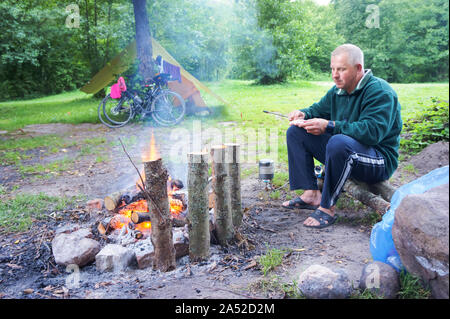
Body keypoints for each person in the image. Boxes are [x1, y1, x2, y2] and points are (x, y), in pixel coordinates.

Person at [282, 44, 402, 229]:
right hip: (348, 152)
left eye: (341, 69)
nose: (335, 75)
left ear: (358, 68)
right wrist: (303, 114)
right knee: (296, 132)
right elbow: (317, 110)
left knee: (338, 141)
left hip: (378, 160)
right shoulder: (338, 90)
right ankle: (312, 194)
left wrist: (329, 125)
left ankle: (327, 207)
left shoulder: (379, 92)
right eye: (333, 69)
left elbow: (372, 133)